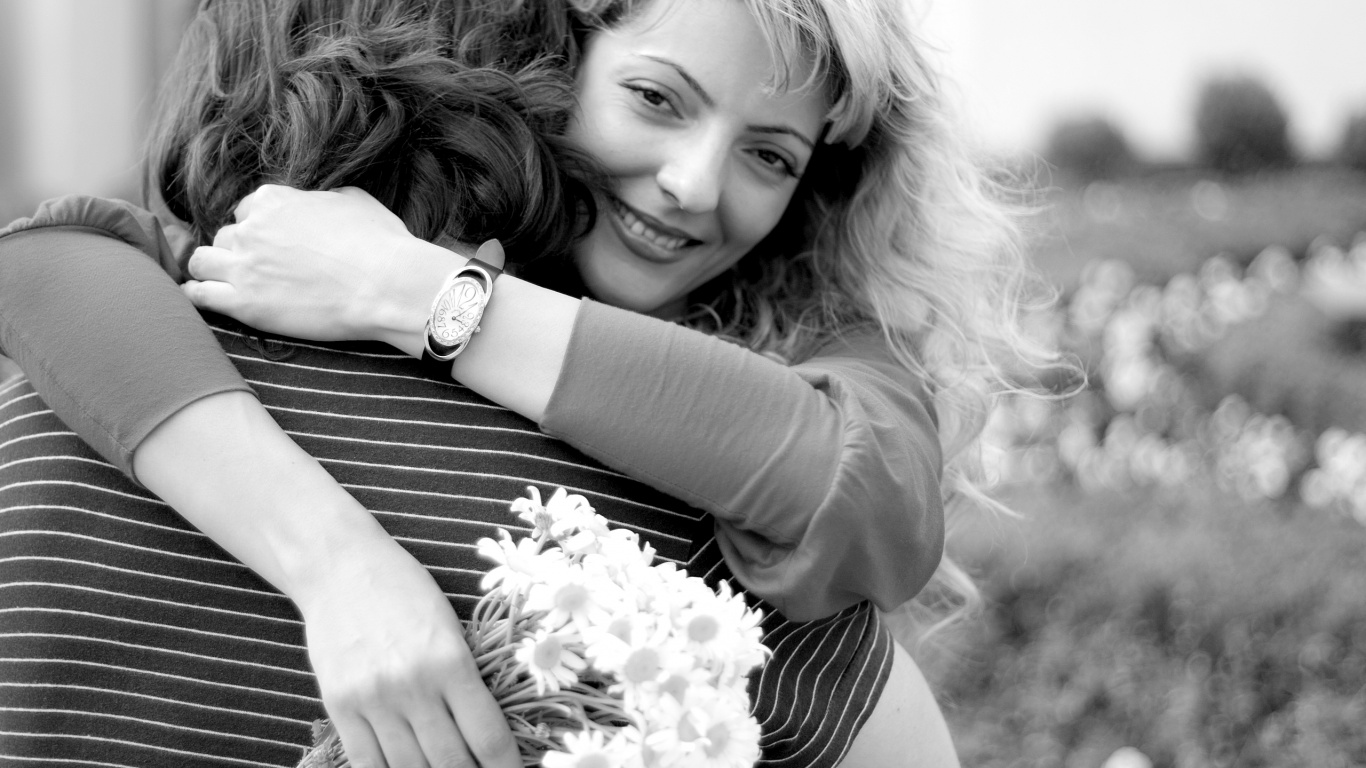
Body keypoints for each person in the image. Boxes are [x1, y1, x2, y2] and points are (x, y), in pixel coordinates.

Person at [0, 0, 1039, 765]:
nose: (693, 184)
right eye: (655, 99)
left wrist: (417, 293)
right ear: (557, 61)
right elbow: (46, 260)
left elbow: (866, 491)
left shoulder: (820, 337)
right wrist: (343, 568)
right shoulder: (338, 255)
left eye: (770, 156)